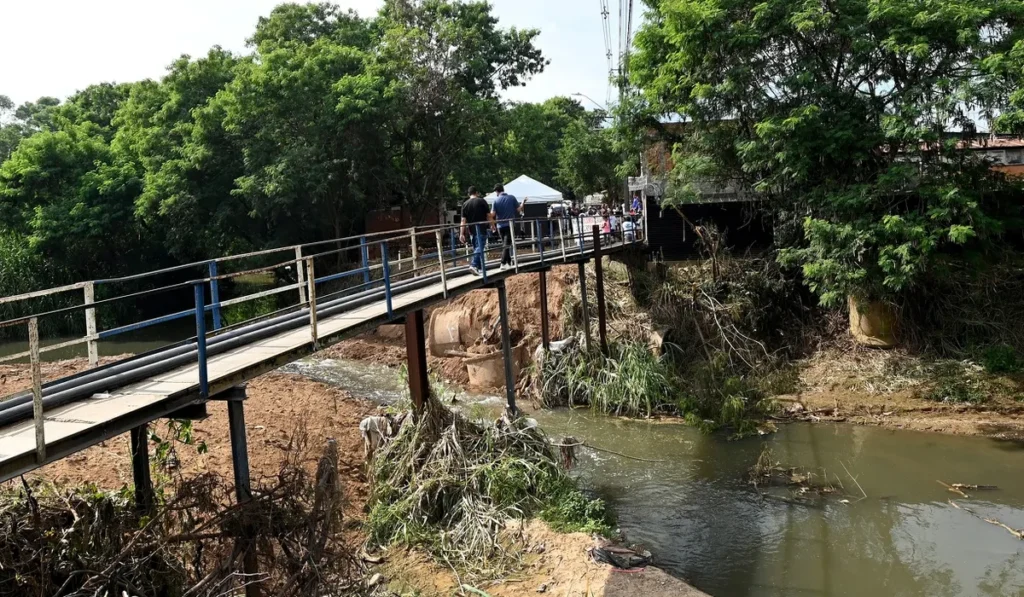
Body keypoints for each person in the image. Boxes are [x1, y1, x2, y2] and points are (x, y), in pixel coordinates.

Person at [491, 183, 527, 269]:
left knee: (505, 244)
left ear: (496, 191)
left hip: (500, 226)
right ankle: (503, 263)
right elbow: (519, 209)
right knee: (506, 244)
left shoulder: (495, 201)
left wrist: (491, 222)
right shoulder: (511, 198)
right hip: (510, 225)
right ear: (503, 189)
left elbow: (493, 214)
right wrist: (523, 202)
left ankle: (508, 262)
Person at [460, 186, 492, 275]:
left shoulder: (465, 204)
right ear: (476, 193)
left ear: (468, 194)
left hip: (471, 230)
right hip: (482, 228)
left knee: (476, 248)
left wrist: (461, 233)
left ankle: (479, 267)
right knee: (480, 247)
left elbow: (463, 220)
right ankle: (474, 265)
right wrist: (492, 225)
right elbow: (488, 216)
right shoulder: (482, 201)